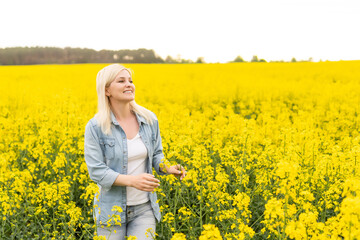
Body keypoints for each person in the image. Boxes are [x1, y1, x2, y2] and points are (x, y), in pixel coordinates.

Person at [84, 64, 186, 239]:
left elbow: (156, 154)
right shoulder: (96, 127)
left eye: (130, 81)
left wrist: (167, 168)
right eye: (121, 81)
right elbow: (96, 171)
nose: (129, 84)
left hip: (144, 208)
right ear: (107, 90)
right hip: (110, 210)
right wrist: (132, 181)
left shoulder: (149, 119)